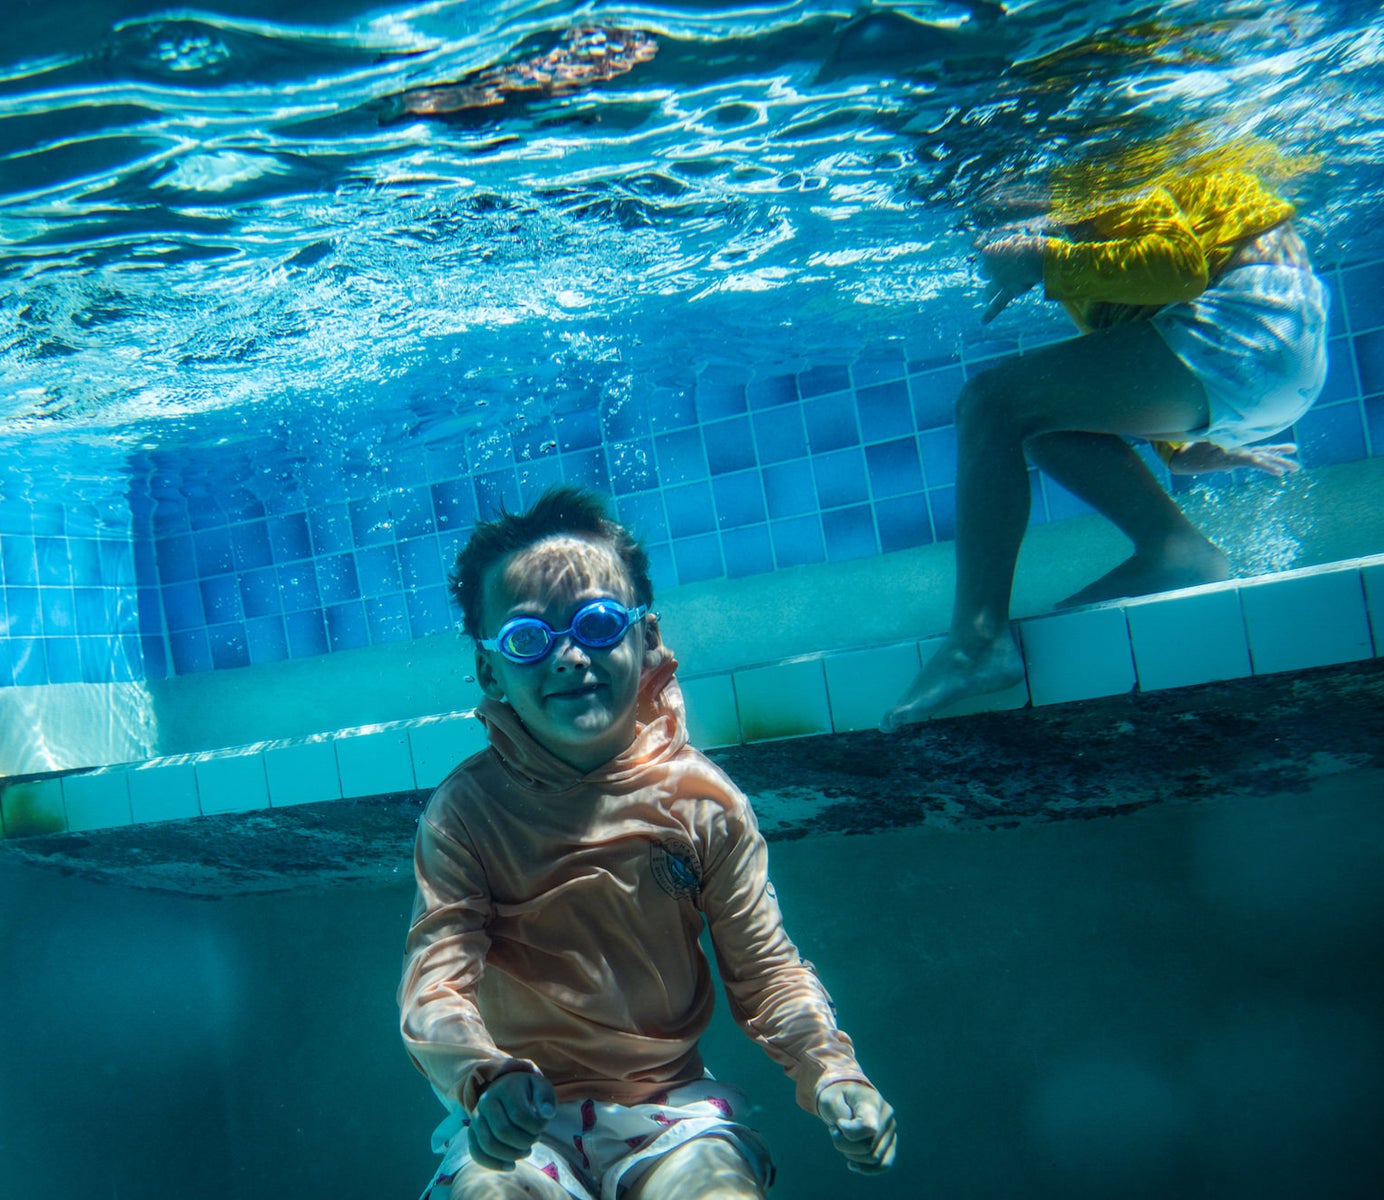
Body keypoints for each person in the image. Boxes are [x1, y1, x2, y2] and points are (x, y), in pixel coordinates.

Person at [398, 485, 896, 1200]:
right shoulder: (466, 814)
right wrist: (484, 1076)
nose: (569, 655)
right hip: (517, 1114)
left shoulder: (704, 803)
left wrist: (832, 1069)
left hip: (673, 1114)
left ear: (647, 637)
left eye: (598, 623)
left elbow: (767, 972)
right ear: (489, 672)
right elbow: (435, 984)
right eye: (528, 638)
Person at [882, 159, 1329, 732]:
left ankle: (978, 642)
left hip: (1254, 322)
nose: (986, 227)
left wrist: (1040, 262)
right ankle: (1177, 553)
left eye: (989, 208)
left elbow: (1177, 266)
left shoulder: (1098, 167)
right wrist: (1179, 448)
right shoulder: (1086, 231)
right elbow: (1132, 334)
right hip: (1275, 347)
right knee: (1043, 426)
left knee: (987, 402)